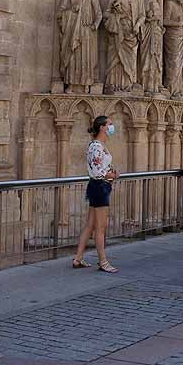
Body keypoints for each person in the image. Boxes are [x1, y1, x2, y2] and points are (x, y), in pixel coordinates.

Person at [74, 116, 120, 273]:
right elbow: (97, 171)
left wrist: (110, 172)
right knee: (101, 227)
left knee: (91, 224)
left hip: (100, 186)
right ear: (102, 127)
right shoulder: (96, 146)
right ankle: (103, 261)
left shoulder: (100, 145)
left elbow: (101, 167)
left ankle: (78, 258)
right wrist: (111, 175)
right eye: (110, 124)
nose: (112, 127)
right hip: (99, 187)